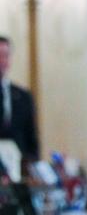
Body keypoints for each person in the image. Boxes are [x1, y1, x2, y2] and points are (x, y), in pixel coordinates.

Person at [0, 36, 39, 165]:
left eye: (5, 55)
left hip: (19, 172)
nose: (2, 60)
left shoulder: (24, 96)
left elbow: (32, 141)